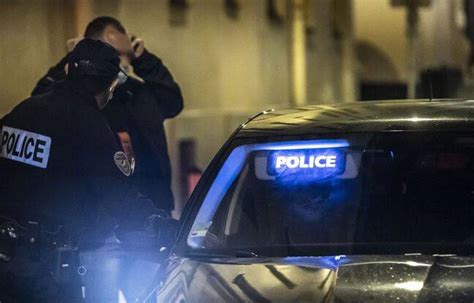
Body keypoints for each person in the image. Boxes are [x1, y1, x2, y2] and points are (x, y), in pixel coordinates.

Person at [0, 39, 162, 302]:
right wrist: (157, 222)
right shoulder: (89, 125)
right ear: (110, 85)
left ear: (68, 71)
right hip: (48, 271)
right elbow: (118, 195)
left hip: (6, 263)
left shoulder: (23, 110)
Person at [32, 16, 184, 215]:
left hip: (154, 205)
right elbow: (41, 101)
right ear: (112, 36)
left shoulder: (137, 92)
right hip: (101, 213)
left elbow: (172, 102)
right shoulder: (83, 98)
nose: (120, 68)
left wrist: (144, 59)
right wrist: (71, 61)